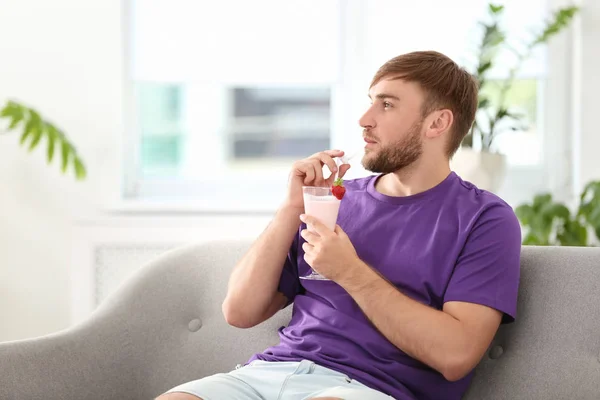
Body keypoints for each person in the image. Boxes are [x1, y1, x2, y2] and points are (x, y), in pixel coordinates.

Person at [158, 50, 522, 400]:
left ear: (437, 123)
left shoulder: (485, 219)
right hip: (270, 373)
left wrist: (349, 271)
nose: (365, 118)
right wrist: (291, 208)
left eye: (387, 104)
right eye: (370, 101)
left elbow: (456, 355)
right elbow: (239, 310)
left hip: (371, 388)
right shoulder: (334, 199)